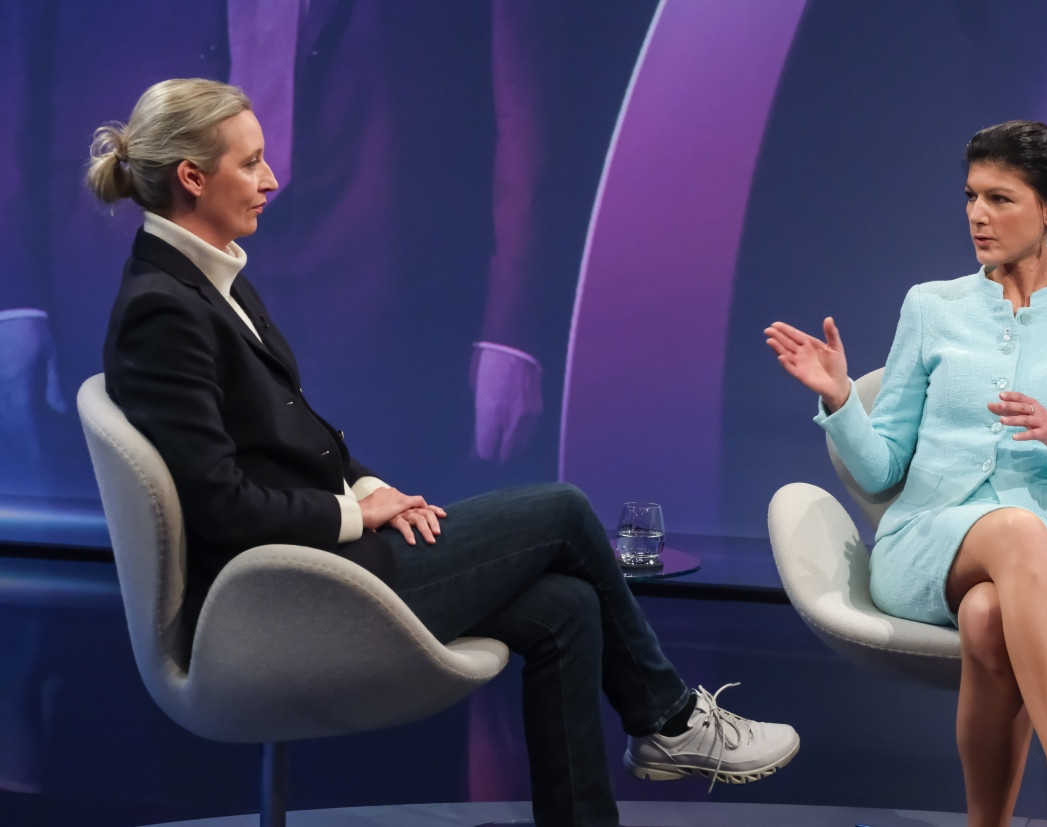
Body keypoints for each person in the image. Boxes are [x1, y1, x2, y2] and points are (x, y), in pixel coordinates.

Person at [87, 78, 798, 827]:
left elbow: (288, 436)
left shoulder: (210, 275)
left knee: (568, 604)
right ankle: (670, 718)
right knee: (564, 510)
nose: (271, 180)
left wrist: (376, 490)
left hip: (316, 562)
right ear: (193, 178)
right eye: (251, 163)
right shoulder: (163, 310)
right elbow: (220, 505)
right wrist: (355, 513)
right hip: (277, 598)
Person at [766, 120, 1047, 826]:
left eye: (1000, 198)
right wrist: (841, 397)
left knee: (987, 615)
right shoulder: (931, 306)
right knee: (1013, 530)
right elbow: (882, 470)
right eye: (971, 196)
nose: (977, 214)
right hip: (927, 544)